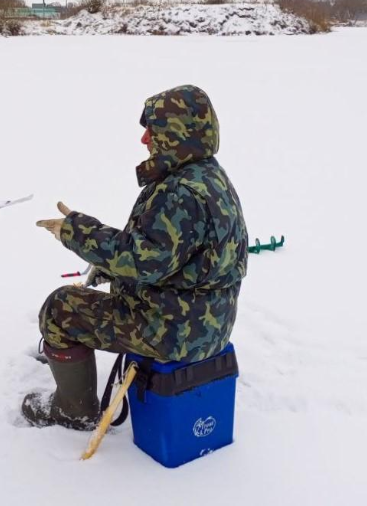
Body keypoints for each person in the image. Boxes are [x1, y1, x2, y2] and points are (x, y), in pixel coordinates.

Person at [24, 85, 247, 430]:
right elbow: (167, 253)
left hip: (177, 332)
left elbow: (144, 261)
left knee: (60, 309)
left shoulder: (179, 192)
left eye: (154, 130)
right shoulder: (208, 175)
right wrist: (108, 260)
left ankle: (72, 411)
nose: (145, 139)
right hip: (210, 320)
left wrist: (76, 232)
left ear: (179, 134)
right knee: (95, 289)